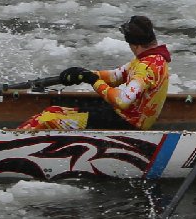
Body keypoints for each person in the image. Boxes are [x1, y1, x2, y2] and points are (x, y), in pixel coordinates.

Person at [18, 15, 172, 132]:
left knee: (47, 120)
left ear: (133, 43)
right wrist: (84, 74)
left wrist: (93, 81)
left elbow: (123, 100)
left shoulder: (147, 67)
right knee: (52, 111)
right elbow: (116, 76)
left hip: (127, 123)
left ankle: (11, 143)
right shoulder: (151, 58)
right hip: (118, 115)